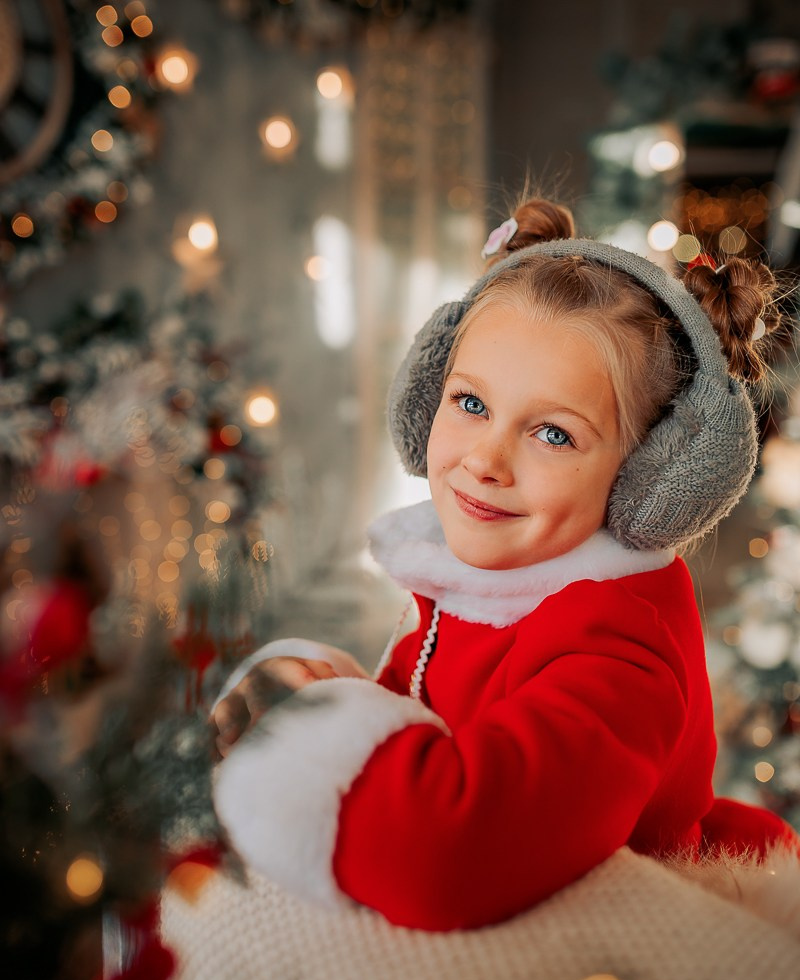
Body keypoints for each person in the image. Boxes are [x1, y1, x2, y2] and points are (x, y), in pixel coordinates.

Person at [211, 198, 799, 933]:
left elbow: (449, 861)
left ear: (649, 477)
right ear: (426, 397)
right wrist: (327, 698)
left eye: (554, 433)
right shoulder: (490, 581)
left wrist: (304, 745)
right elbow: (421, 727)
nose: (485, 461)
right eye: (470, 403)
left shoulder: (621, 652)